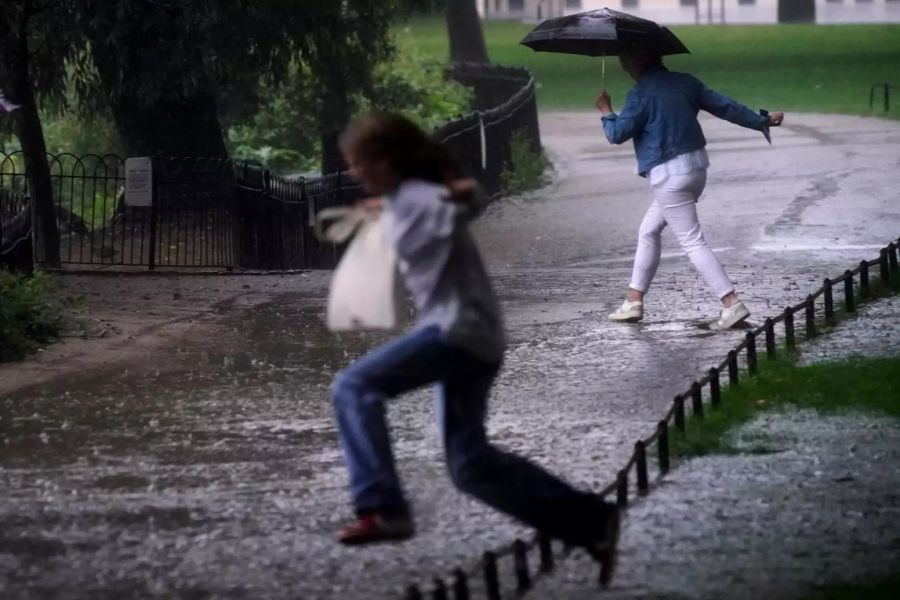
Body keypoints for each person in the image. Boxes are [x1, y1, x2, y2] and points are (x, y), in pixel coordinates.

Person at [331, 112, 620, 584]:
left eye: (358, 163)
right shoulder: (404, 200)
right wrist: (383, 211)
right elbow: (436, 206)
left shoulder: (424, 199)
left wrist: (463, 196)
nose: (353, 174)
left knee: (353, 386)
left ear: (384, 161)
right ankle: (591, 521)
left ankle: (382, 508)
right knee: (470, 468)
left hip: (457, 333)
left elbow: (461, 204)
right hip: (476, 338)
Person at [596, 45, 784, 329]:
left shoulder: (640, 93)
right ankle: (633, 300)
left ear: (636, 62)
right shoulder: (686, 82)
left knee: (692, 241)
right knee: (648, 230)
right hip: (696, 169)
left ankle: (731, 303)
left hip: (669, 175)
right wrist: (760, 120)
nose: (624, 67)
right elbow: (725, 106)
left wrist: (607, 111)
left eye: (625, 61)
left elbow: (617, 134)